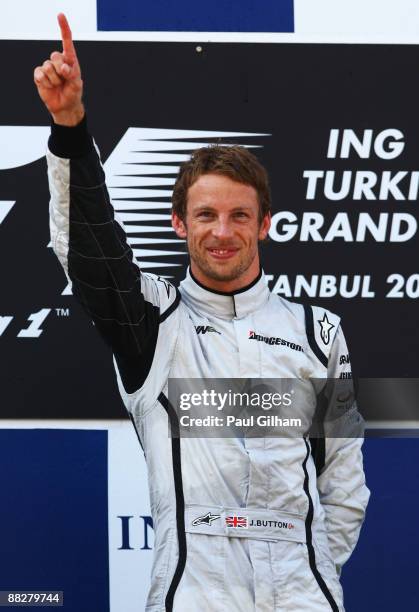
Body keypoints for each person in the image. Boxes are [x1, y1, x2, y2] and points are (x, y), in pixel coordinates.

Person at [34, 14, 370, 612]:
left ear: (264, 225)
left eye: (239, 216)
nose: (222, 232)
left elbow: (343, 482)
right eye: (206, 216)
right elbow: (86, 246)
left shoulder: (319, 333)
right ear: (179, 224)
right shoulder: (151, 321)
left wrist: (313, 573)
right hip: (193, 595)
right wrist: (70, 127)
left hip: (305, 595)